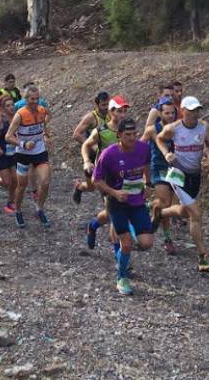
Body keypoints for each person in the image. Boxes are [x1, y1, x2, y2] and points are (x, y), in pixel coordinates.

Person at [154, 96, 209, 272]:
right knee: (195, 213)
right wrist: (167, 153)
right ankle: (203, 256)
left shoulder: (203, 127)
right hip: (178, 174)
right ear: (182, 111)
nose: (194, 114)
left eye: (197, 110)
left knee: (184, 212)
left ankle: (160, 213)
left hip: (195, 175)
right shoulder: (173, 128)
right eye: (191, 111)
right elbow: (159, 139)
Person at [93, 118, 154, 295]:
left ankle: (120, 254)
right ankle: (122, 277)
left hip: (137, 200)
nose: (132, 138)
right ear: (119, 135)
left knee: (147, 243)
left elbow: (146, 164)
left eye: (134, 134)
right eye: (127, 135)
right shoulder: (109, 154)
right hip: (116, 202)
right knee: (126, 243)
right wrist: (114, 192)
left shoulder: (143, 148)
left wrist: (148, 183)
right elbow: (97, 180)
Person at [81, 95, 129, 249]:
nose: (123, 115)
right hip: (105, 177)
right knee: (116, 215)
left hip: (124, 175)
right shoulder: (101, 131)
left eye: (124, 111)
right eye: (119, 111)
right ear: (111, 112)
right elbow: (86, 145)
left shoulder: (128, 130)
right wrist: (87, 161)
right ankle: (120, 255)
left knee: (111, 214)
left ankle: (93, 225)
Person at [5, 85, 52, 228]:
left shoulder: (42, 110)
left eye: (37, 98)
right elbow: (8, 136)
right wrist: (24, 144)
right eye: (32, 99)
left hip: (39, 151)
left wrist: (45, 135)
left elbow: (43, 126)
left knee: (45, 182)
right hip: (23, 153)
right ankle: (18, 210)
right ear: (26, 99)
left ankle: (39, 209)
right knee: (22, 186)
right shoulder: (20, 114)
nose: (35, 102)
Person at [144, 97, 178, 255]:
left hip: (175, 170)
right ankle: (167, 238)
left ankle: (150, 206)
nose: (170, 116)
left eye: (172, 113)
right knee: (165, 203)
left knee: (173, 207)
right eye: (167, 113)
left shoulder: (178, 127)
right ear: (159, 113)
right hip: (158, 168)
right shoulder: (152, 129)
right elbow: (139, 146)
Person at [72, 91, 111, 204]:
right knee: (91, 187)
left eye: (108, 104)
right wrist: (92, 146)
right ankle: (79, 187)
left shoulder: (111, 114)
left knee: (105, 185)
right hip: (92, 155)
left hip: (106, 155)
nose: (106, 107)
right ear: (97, 104)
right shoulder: (91, 117)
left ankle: (109, 208)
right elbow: (76, 134)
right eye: (103, 105)